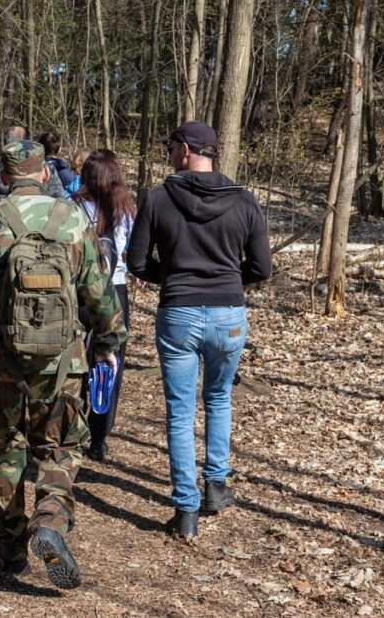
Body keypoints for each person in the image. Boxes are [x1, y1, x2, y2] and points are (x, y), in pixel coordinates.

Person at [0, 140, 128, 589]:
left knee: (5, 448)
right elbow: (98, 289)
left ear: (5, 176)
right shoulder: (72, 218)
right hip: (62, 359)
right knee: (59, 446)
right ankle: (51, 521)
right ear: (45, 173)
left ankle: (10, 548)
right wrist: (107, 342)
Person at [127, 121, 271, 539]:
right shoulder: (244, 200)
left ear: (187, 149)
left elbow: (137, 262)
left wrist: (175, 276)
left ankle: (186, 510)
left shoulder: (158, 198)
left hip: (179, 313)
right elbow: (262, 267)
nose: (169, 153)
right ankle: (215, 485)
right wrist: (226, 280)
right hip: (228, 315)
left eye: (171, 146)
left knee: (180, 410)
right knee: (219, 398)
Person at [71, 149, 135, 461]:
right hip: (115, 290)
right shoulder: (127, 208)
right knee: (110, 364)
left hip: (79, 292)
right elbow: (133, 250)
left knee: (74, 361)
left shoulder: (72, 207)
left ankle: (72, 425)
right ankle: (99, 437)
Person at [0, 124, 66, 208]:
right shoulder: (45, 169)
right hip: (41, 220)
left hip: (0, 221)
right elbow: (60, 205)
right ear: (29, 143)